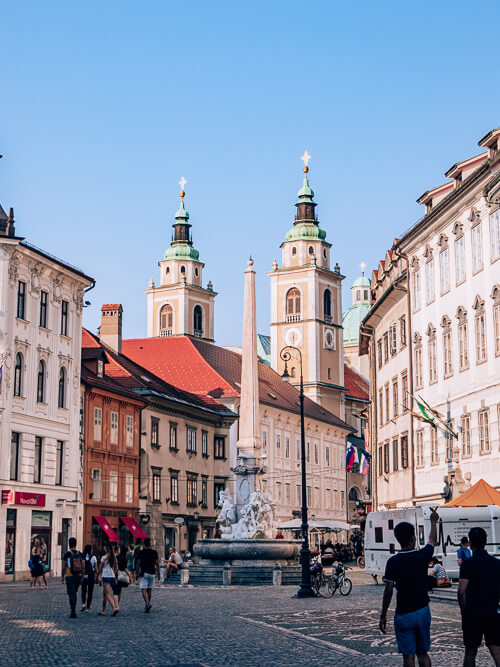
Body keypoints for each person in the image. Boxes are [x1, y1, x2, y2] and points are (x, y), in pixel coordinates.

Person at [379, 509, 439, 667]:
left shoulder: (393, 562)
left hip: (404, 613)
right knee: (423, 653)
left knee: (408, 657)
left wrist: (383, 614)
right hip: (422, 610)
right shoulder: (422, 555)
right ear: (413, 537)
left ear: (398, 539)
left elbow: (389, 590)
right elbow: (433, 539)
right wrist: (433, 521)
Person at [457, 527, 500, 667]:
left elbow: (461, 591)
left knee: (470, 651)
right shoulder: (496, 563)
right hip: (492, 611)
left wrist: (464, 611)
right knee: (496, 650)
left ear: (470, 542)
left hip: (473, 613)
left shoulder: (467, 564)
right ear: (485, 541)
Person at [135, 537, 159, 613]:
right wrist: (159, 573)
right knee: (149, 589)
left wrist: (136, 572)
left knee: (143, 589)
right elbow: (157, 563)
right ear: (150, 543)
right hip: (152, 572)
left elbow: (138, 562)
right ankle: (147, 604)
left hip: (144, 572)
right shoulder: (154, 552)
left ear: (144, 544)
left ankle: (147, 603)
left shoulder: (142, 552)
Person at [62, 537, 84, 619]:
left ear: (69, 544)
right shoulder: (80, 553)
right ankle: (73, 608)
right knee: (74, 592)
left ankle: (73, 610)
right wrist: (82, 575)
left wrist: (62, 576)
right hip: (78, 576)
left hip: (69, 575)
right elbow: (83, 565)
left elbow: (64, 566)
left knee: (71, 594)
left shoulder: (67, 554)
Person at [97, 544, 118, 616]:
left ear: (106, 548)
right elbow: (116, 568)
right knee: (104, 594)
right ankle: (103, 610)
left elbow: (100, 568)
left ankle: (114, 608)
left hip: (106, 576)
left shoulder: (104, 557)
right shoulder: (113, 556)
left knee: (107, 594)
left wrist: (97, 574)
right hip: (112, 576)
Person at [112, 545, 131, 612]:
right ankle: (117, 605)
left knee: (115, 592)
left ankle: (116, 606)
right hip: (121, 576)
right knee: (119, 592)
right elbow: (125, 569)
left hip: (113, 575)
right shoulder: (122, 558)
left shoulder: (112, 558)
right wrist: (129, 576)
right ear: (117, 551)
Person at [80, 544, 97, 612]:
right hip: (91, 574)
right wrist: (97, 575)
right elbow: (95, 568)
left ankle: (83, 604)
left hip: (85, 574)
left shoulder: (83, 557)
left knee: (83, 590)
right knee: (90, 591)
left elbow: (82, 567)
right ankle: (88, 606)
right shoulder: (94, 557)